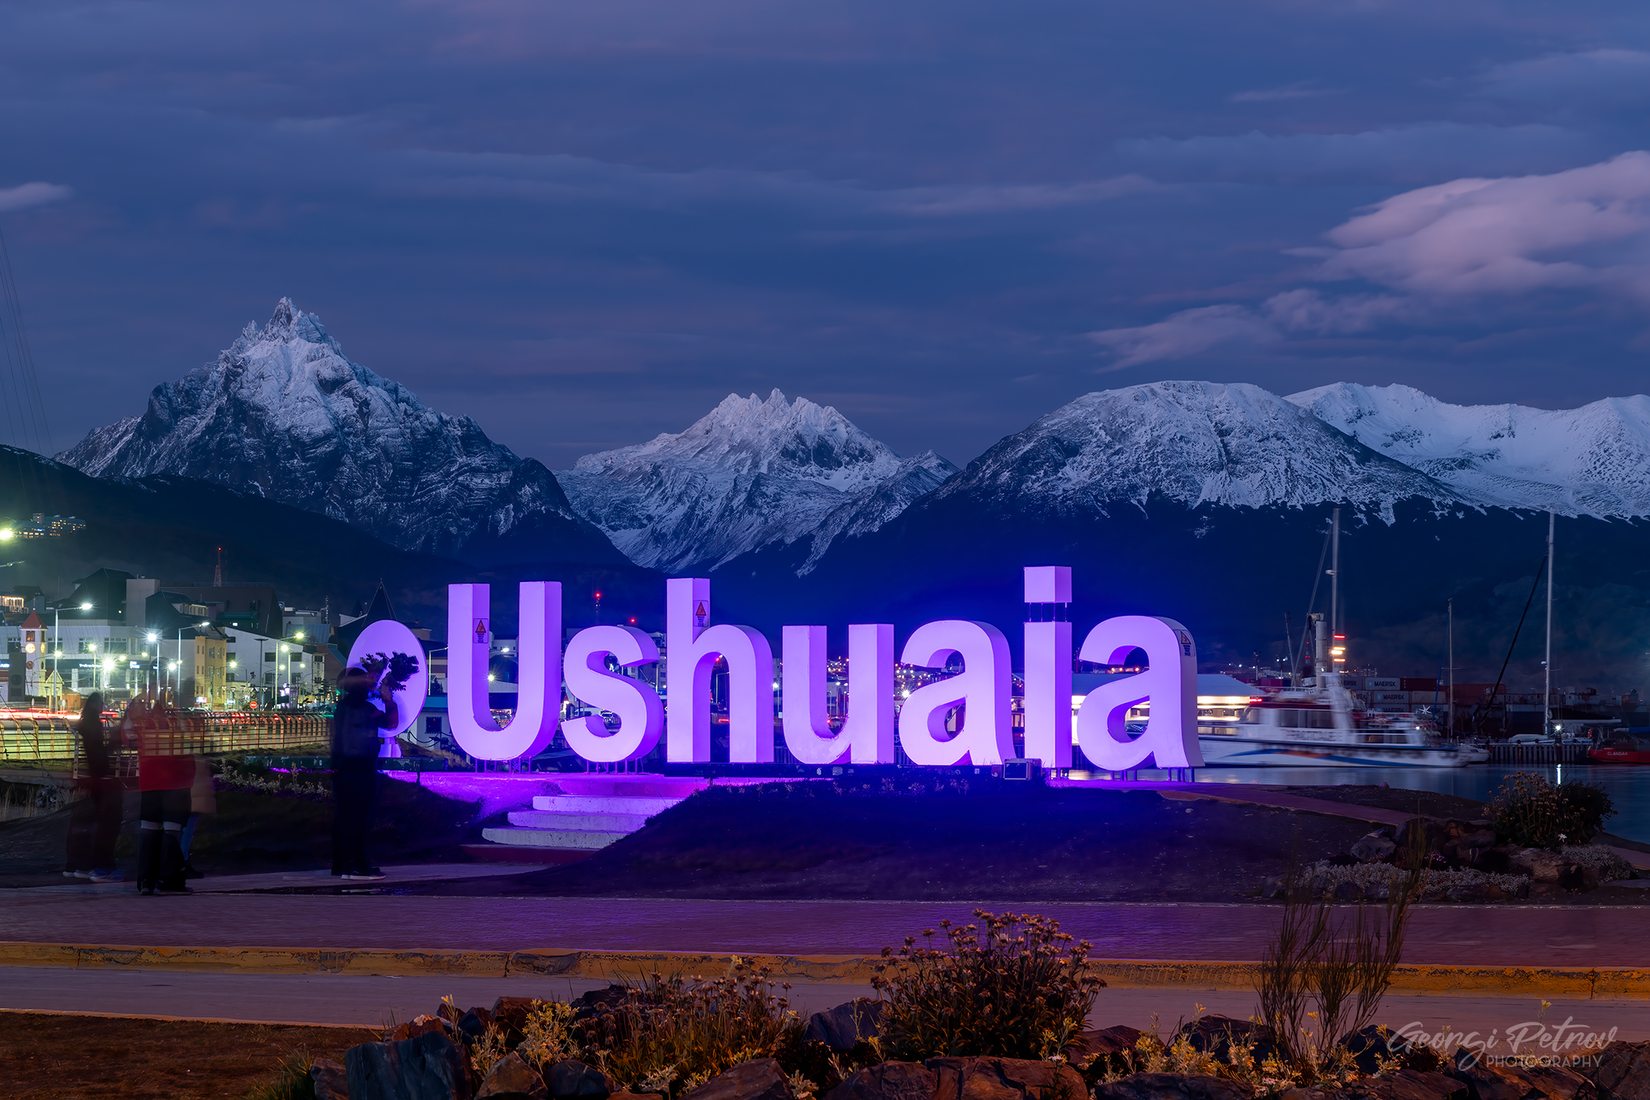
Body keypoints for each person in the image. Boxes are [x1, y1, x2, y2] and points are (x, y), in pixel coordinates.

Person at [331, 665, 399, 880]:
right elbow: (390, 723)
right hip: (361, 769)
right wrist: (388, 700)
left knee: (345, 818)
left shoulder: (343, 708)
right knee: (360, 818)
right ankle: (358, 864)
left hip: (344, 769)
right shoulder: (365, 708)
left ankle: (342, 864)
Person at [133, 690, 195, 895]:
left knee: (149, 831)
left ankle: (145, 880)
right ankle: (169, 878)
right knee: (171, 832)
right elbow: (187, 752)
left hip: (149, 785)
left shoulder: (145, 725)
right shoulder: (178, 725)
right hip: (174, 785)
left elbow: (126, 736)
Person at [64, 693, 123, 882]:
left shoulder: (81, 725)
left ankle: (77, 865)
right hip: (97, 778)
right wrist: (114, 745)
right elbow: (97, 753)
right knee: (104, 822)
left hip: (82, 777)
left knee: (82, 824)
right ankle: (101, 867)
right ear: (97, 705)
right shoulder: (94, 725)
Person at [178, 755, 215, 879]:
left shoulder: (188, 758)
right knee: (186, 833)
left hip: (188, 799)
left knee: (183, 831)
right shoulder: (197, 759)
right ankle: (182, 862)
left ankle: (180, 862)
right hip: (192, 800)